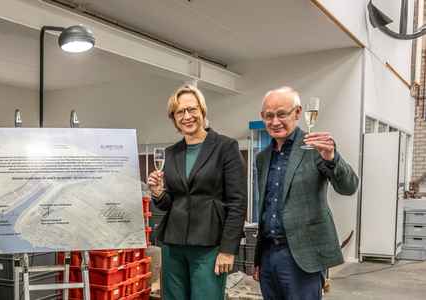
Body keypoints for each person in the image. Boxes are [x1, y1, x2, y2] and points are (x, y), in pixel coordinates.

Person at [252, 87, 358, 299]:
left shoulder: (315, 148)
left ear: (297, 113)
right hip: (269, 255)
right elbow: (265, 207)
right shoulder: (262, 157)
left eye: (281, 114)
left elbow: (349, 186)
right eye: (268, 116)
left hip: (302, 256)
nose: (274, 122)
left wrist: (332, 158)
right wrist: (259, 259)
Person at [147, 84, 247, 300]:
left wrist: (228, 250)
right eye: (180, 112)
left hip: (209, 246)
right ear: (173, 118)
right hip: (173, 245)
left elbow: (237, 203)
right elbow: (170, 203)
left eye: (192, 109)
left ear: (202, 111)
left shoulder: (225, 147)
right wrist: (158, 193)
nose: (187, 116)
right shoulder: (171, 153)